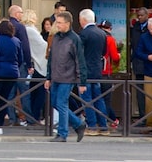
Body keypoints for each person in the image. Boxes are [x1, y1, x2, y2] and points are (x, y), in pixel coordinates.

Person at [43, 10, 88, 143]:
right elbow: (51, 58)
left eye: (60, 23)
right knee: (55, 103)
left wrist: (82, 82)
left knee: (61, 103)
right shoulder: (56, 37)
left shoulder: (74, 39)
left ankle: (63, 133)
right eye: (57, 23)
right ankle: (78, 124)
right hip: (56, 76)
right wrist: (48, 77)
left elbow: (80, 61)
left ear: (68, 23)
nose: (57, 25)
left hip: (67, 77)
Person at [77, 8, 108, 135]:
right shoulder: (102, 33)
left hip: (85, 72)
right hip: (97, 70)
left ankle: (92, 126)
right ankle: (104, 126)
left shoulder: (83, 34)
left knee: (86, 99)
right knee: (99, 98)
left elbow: (78, 53)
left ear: (83, 20)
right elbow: (104, 52)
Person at [5, 5, 34, 125]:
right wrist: (29, 64)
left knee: (10, 93)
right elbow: (25, 47)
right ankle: (29, 119)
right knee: (24, 93)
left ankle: (12, 119)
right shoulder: (20, 27)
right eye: (21, 13)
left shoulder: (5, 26)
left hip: (8, 64)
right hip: (20, 63)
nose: (22, 15)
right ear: (16, 14)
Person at [22, 9, 48, 126]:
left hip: (34, 64)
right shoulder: (30, 30)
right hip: (38, 65)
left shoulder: (27, 29)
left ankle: (33, 116)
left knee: (34, 91)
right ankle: (35, 116)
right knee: (39, 93)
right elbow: (42, 45)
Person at [99, 20, 121, 127]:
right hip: (106, 72)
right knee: (106, 99)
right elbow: (115, 57)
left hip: (95, 72)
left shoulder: (97, 37)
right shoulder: (110, 40)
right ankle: (107, 121)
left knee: (97, 98)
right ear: (110, 29)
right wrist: (119, 56)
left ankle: (111, 119)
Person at [129, 7, 150, 123]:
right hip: (138, 64)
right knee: (140, 92)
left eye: (142, 15)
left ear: (147, 15)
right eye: (138, 16)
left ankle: (151, 117)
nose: (140, 17)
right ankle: (143, 117)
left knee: (150, 92)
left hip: (150, 64)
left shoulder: (151, 27)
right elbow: (133, 45)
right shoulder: (136, 27)